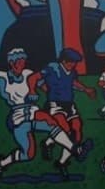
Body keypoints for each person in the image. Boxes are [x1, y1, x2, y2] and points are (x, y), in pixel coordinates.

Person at [0, 46, 84, 179]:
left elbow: (43, 86)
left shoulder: (27, 73)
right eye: (20, 62)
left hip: (32, 110)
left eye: (24, 61)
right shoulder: (2, 77)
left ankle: (74, 149)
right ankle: (2, 163)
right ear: (12, 62)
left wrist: (56, 93)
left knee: (51, 122)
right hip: (18, 115)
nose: (22, 64)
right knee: (28, 154)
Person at [36, 48, 97, 179]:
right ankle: (76, 151)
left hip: (69, 104)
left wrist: (85, 89)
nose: (73, 64)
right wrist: (45, 89)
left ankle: (61, 161)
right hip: (55, 104)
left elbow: (73, 83)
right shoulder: (52, 68)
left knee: (77, 131)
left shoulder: (72, 72)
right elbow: (37, 79)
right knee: (65, 129)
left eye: (75, 62)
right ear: (63, 60)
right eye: (71, 62)